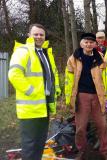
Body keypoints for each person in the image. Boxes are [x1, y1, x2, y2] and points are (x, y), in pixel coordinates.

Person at [8, 23, 61, 160]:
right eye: (35, 34)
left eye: (41, 34)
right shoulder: (23, 51)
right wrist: (32, 91)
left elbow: (50, 76)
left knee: (39, 143)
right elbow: (14, 74)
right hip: (30, 108)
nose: (38, 37)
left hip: (43, 107)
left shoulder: (45, 53)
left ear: (44, 37)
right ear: (29, 36)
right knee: (30, 145)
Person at [65, 33, 107, 160]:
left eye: (91, 42)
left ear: (95, 44)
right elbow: (68, 80)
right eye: (86, 42)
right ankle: (81, 151)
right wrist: (68, 98)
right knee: (80, 128)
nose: (88, 44)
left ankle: (105, 151)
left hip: (98, 97)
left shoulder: (101, 59)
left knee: (102, 126)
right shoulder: (73, 59)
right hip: (81, 97)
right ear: (82, 43)